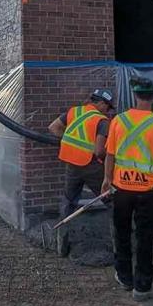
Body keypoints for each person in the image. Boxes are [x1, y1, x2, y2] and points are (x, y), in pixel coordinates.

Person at [101, 78, 153, 301]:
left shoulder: (118, 120)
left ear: (135, 96)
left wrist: (107, 179)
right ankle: (142, 286)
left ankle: (124, 277)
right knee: (145, 236)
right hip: (148, 191)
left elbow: (110, 154)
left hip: (121, 189)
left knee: (122, 232)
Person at [49, 89, 114, 224]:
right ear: (102, 103)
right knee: (110, 198)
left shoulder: (74, 111)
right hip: (92, 166)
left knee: (68, 200)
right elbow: (99, 151)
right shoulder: (102, 121)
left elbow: (53, 127)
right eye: (108, 107)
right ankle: (120, 232)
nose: (108, 111)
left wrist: (70, 142)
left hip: (71, 164)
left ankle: (62, 234)